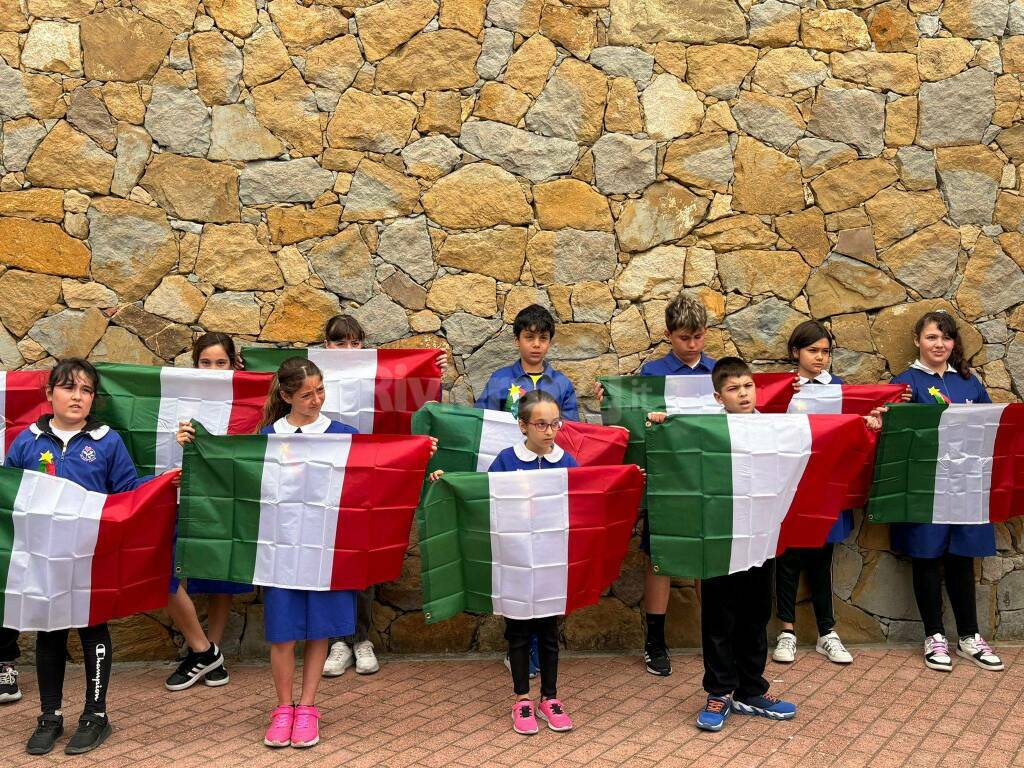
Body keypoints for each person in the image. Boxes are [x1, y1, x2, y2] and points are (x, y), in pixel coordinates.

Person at [179, 357, 357, 749]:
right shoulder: (266, 438)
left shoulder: (344, 434)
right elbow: (228, 470)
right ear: (287, 395)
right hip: (280, 552)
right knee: (282, 634)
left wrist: (419, 453)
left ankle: (308, 707)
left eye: (320, 390)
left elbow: (375, 474)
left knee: (319, 632)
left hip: (327, 550)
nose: (316, 399)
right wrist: (197, 445)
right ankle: (283, 708)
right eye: (307, 394)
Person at [6, 359, 178, 755]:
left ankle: (96, 715)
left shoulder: (107, 441)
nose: (77, 396)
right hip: (43, 560)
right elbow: (8, 495)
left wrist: (164, 481)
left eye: (85, 390)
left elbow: (129, 494)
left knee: (92, 632)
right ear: (49, 394)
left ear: (93, 398)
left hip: (90, 558)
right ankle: (49, 716)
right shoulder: (27, 441)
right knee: (48, 634)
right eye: (68, 388)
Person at [648, 358, 797, 732]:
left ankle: (751, 688)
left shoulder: (773, 428)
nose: (743, 394)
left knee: (756, 613)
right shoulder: (706, 430)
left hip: (761, 537)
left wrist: (864, 423)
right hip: (718, 537)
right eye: (734, 389)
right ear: (719, 396)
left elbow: (818, 438)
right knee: (718, 616)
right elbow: (676, 445)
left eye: (747, 386)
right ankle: (719, 690)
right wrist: (665, 426)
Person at [431, 390, 577, 735]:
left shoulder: (566, 461)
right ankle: (522, 699)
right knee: (519, 632)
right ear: (522, 425)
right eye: (540, 423)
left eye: (554, 422)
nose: (549, 430)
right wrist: (446, 481)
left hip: (552, 560)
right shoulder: (506, 460)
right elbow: (481, 492)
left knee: (550, 632)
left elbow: (586, 499)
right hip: (514, 558)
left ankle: (550, 698)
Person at [321, 315, 447, 678]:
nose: (347, 351)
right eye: (338, 343)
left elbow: (412, 400)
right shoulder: (314, 375)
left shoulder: (379, 376)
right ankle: (338, 642)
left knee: (362, 558)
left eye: (355, 343)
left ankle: (360, 640)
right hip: (326, 478)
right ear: (326, 346)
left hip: (370, 477)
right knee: (332, 559)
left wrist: (430, 372)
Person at [598, 291, 715, 677]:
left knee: (705, 561)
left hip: (704, 478)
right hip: (665, 479)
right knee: (659, 558)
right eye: (684, 338)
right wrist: (610, 400)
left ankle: (713, 639)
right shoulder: (652, 374)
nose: (692, 345)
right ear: (669, 334)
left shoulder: (717, 372)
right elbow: (631, 421)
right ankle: (655, 641)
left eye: (698, 337)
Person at [889, 311, 1003, 673]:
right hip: (926, 486)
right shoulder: (906, 383)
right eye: (932, 337)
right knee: (926, 556)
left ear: (954, 344)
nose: (939, 345)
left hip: (966, 484)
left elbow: (990, 427)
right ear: (917, 340)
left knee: (961, 557)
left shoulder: (969, 382)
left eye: (946, 338)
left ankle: (969, 636)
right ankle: (934, 636)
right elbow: (895, 435)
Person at [163, 332, 250, 692]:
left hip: (227, 498)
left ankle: (210, 652)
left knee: (221, 576)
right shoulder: (178, 398)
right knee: (166, 571)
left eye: (221, 362)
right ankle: (203, 649)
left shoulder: (245, 401)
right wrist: (181, 443)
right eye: (205, 362)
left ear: (233, 364)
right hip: (187, 499)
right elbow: (161, 452)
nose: (213, 369)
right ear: (194, 364)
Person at [772, 321, 854, 666]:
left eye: (825, 352)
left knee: (822, 560)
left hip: (827, 484)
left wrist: (877, 416)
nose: (820, 358)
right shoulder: (782, 389)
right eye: (813, 351)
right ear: (796, 353)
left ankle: (827, 632)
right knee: (787, 560)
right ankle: (787, 631)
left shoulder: (840, 389)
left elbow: (859, 423)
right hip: (789, 483)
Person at [475, 304, 579, 421]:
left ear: (550, 342)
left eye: (543, 338)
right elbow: (481, 423)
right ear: (517, 340)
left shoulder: (562, 384)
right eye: (529, 337)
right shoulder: (499, 379)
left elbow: (571, 431)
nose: (536, 344)